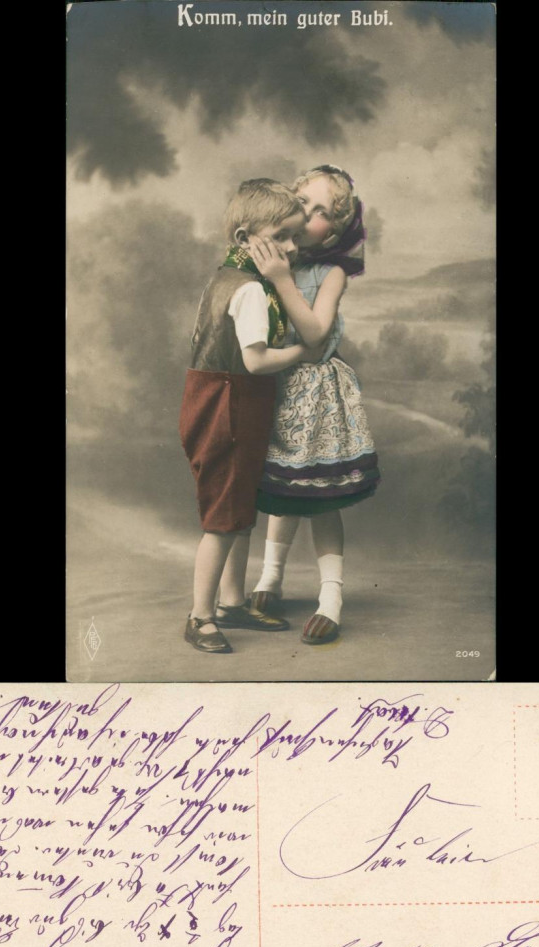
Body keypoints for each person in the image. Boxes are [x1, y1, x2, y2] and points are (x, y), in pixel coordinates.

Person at [179, 178, 316, 654]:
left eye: (295, 236)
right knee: (223, 519)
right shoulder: (252, 290)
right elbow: (256, 361)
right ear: (244, 238)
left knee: (238, 510)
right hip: (229, 405)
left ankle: (232, 603)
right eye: (280, 236)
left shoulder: (224, 278)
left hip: (220, 400)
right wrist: (302, 353)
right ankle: (200, 616)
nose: (291, 248)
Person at [248, 165, 380, 644]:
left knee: (319, 497)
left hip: (316, 397)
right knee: (282, 492)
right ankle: (270, 577)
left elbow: (316, 334)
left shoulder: (332, 272)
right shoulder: (273, 254)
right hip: (276, 387)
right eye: (303, 202)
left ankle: (331, 597)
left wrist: (282, 280)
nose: (308, 216)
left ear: (336, 231)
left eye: (322, 211)